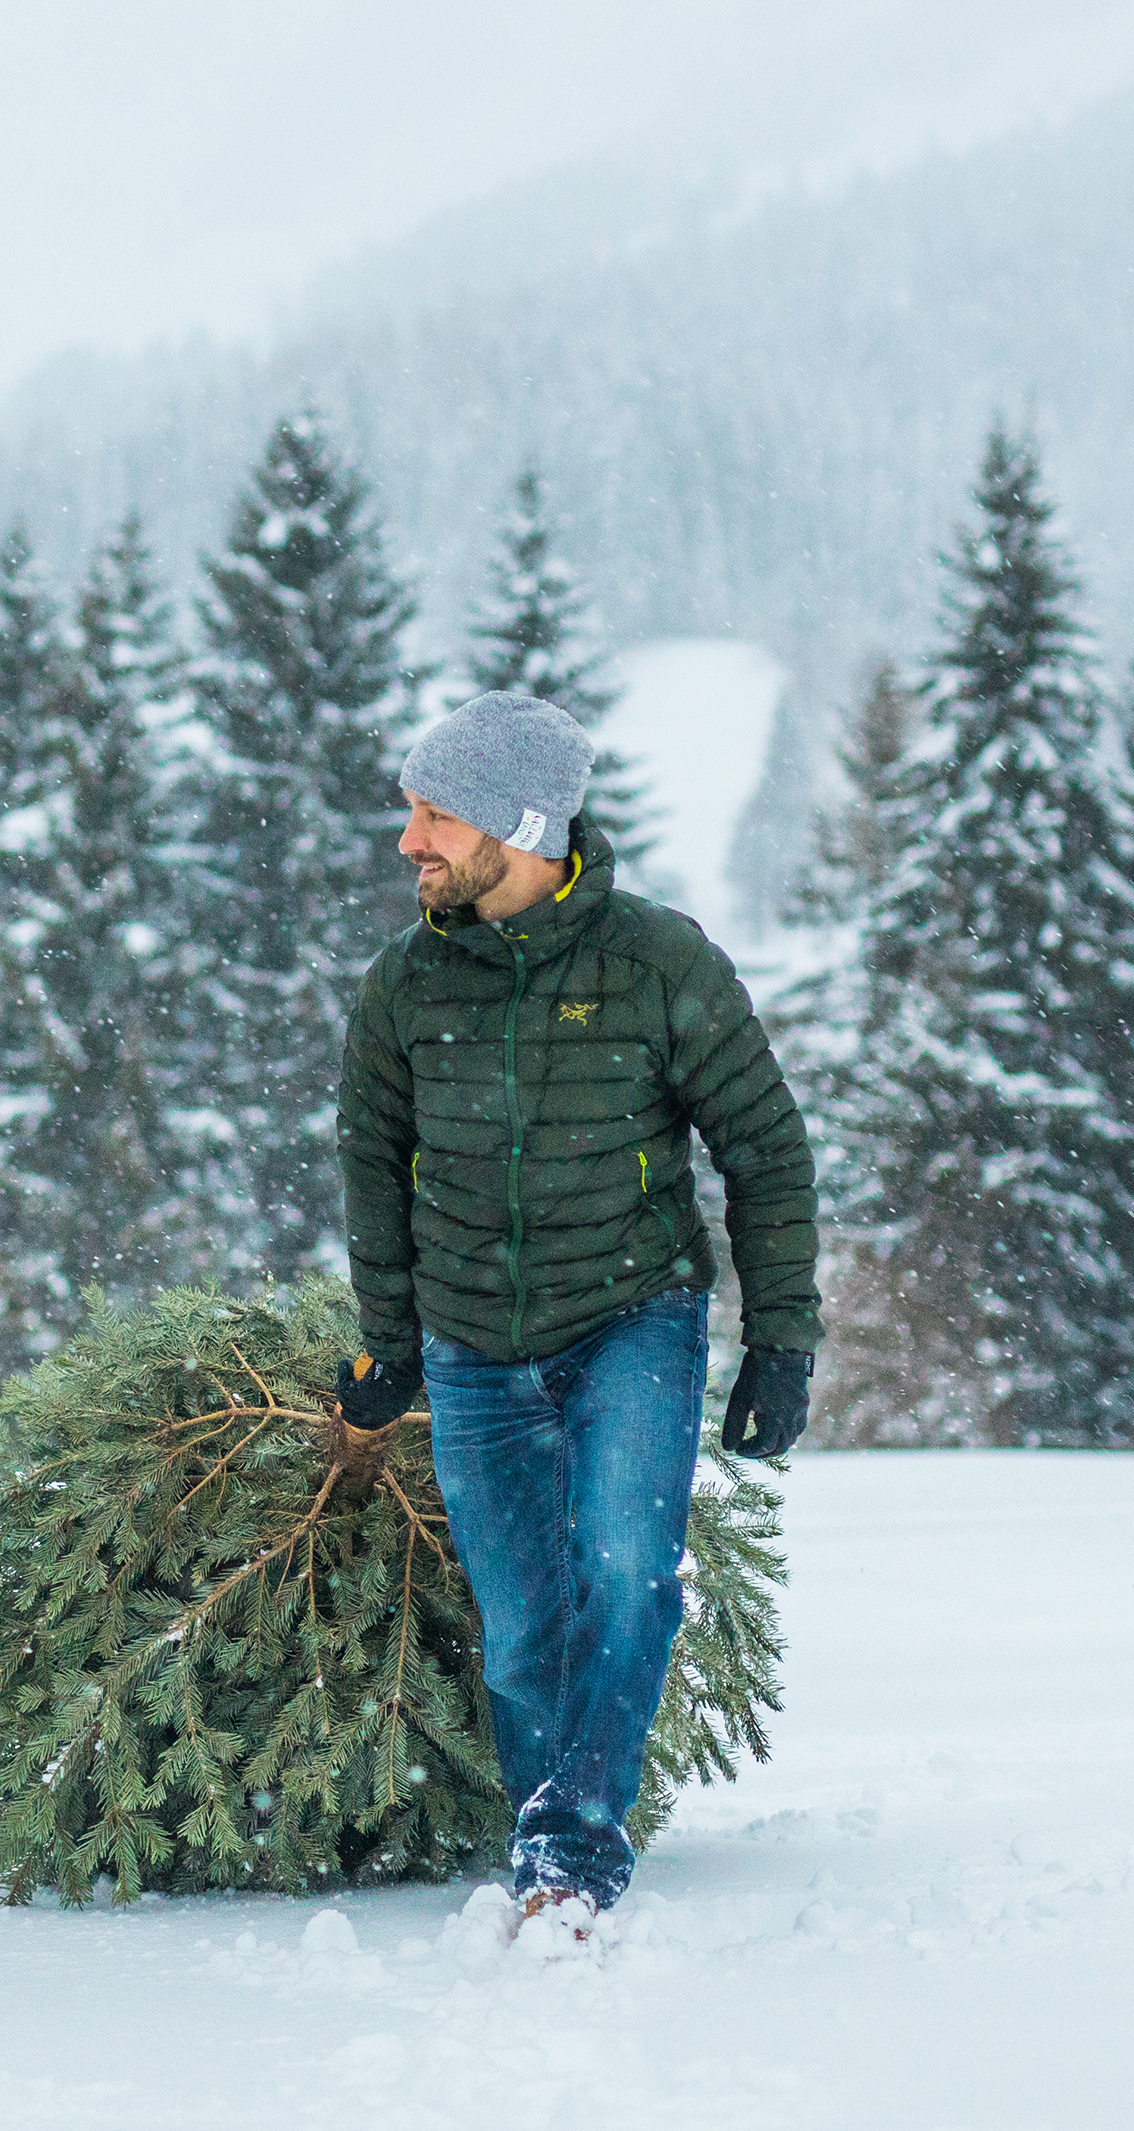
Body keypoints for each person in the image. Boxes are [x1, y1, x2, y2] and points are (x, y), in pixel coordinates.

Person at [334, 688, 820, 1942]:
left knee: (625, 1572)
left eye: (433, 815)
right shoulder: (402, 985)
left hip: (631, 1319)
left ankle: (567, 1848)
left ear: (522, 827)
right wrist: (387, 1338)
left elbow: (763, 1151)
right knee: (519, 1631)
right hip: (471, 1343)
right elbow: (372, 1166)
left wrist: (782, 1341)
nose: (409, 843)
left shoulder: (660, 964)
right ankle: (557, 1823)